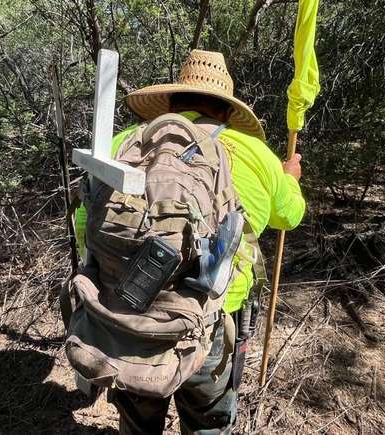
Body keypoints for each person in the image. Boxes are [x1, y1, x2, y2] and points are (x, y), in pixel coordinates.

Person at [95, 50, 306, 434]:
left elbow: (85, 223)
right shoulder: (258, 155)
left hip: (125, 316)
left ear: (170, 102)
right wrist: (288, 177)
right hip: (212, 320)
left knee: (137, 422)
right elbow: (289, 217)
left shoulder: (125, 143)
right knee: (206, 423)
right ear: (226, 110)